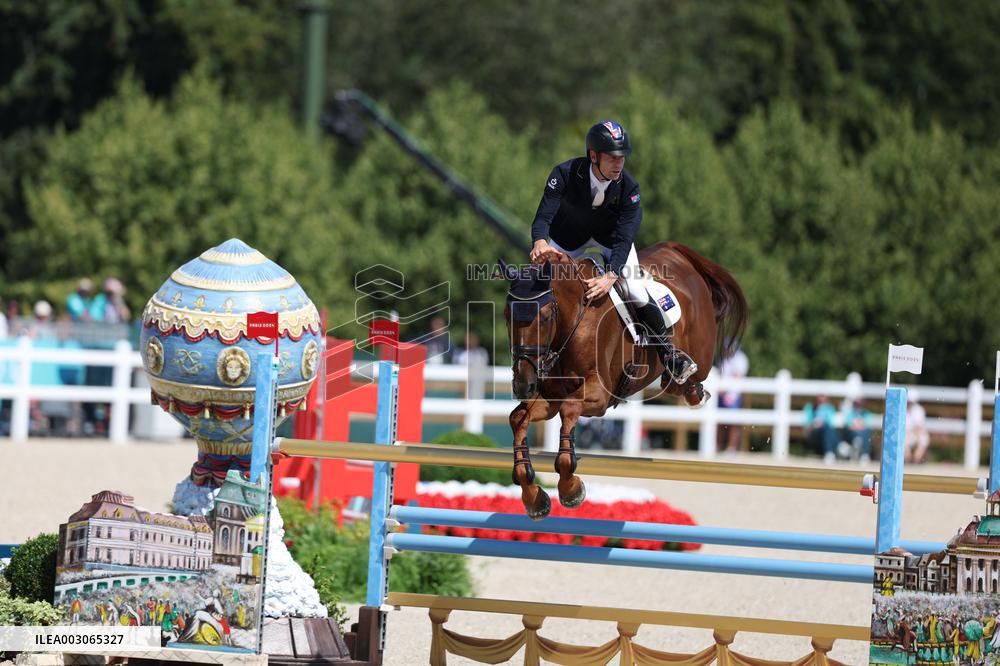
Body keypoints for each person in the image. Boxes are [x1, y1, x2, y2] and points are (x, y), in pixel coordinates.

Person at [529, 120, 696, 386]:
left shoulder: (629, 189)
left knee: (634, 289)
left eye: (622, 157)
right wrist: (539, 242)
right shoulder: (565, 173)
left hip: (610, 242)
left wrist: (611, 276)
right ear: (593, 156)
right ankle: (529, 357)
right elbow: (544, 215)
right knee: (535, 283)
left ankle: (669, 354)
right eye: (611, 157)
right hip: (568, 238)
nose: (618, 164)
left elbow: (624, 238)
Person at [717, 344, 749, 452]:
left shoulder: (740, 358)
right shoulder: (724, 359)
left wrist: (728, 392)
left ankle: (732, 447)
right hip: (722, 394)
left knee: (734, 423)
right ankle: (718, 446)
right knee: (720, 422)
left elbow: (738, 376)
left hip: (734, 395)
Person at [803, 394, 839, 464]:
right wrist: (814, 425)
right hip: (814, 433)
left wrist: (822, 424)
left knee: (828, 430)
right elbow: (807, 425)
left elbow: (830, 424)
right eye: (820, 395)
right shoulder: (810, 407)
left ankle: (830, 452)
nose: (821, 398)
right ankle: (835, 449)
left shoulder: (830, 408)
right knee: (828, 431)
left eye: (823, 396)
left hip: (826, 432)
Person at [843, 398, 872, 464]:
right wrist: (858, 427)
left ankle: (863, 454)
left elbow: (868, 425)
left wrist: (858, 427)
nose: (858, 406)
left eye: (860, 404)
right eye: (857, 404)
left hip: (863, 434)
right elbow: (848, 425)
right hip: (852, 434)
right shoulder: (850, 413)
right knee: (857, 435)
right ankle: (860, 453)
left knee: (865, 433)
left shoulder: (866, 414)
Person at [906, 389, 930, 463]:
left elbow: (919, 428)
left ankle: (916, 459)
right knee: (903, 439)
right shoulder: (902, 409)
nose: (910, 404)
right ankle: (908, 459)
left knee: (923, 438)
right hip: (906, 434)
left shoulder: (919, 410)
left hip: (915, 433)